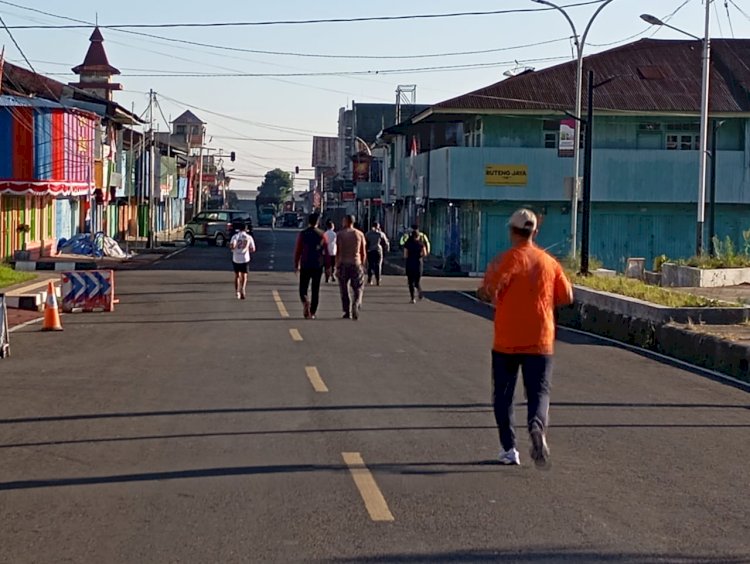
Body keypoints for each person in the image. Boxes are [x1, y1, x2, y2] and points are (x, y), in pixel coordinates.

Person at [479, 209, 573, 467]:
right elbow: (567, 296)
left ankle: (509, 449)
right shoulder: (549, 262)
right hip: (541, 339)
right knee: (539, 393)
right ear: (535, 232)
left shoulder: (504, 261)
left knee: (504, 396)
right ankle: (536, 426)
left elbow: (487, 290)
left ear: (512, 231)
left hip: (507, 340)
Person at [294, 213, 326, 319]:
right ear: (317, 222)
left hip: (305, 263)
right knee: (315, 289)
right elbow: (326, 251)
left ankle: (305, 300)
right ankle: (312, 312)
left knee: (303, 287)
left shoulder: (303, 234)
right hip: (318, 264)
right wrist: (329, 266)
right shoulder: (322, 234)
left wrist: (296, 264)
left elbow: (298, 250)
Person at [336, 214, 366, 320]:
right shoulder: (359, 234)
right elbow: (363, 252)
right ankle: (356, 304)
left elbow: (338, 252)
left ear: (345, 221)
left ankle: (346, 311)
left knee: (344, 289)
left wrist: (336, 266)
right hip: (356, 263)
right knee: (358, 287)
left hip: (343, 263)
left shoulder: (340, 235)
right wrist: (362, 264)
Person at [229, 220, 256, 300]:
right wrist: (247, 250)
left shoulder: (235, 236)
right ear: (246, 229)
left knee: (237, 275)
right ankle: (243, 289)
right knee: (244, 275)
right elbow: (253, 249)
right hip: (245, 258)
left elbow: (231, 246)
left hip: (236, 258)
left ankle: (237, 291)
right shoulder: (249, 237)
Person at [403, 228, 428, 303]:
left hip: (410, 263)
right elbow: (425, 253)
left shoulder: (407, 244)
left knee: (410, 282)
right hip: (418, 263)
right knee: (417, 281)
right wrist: (420, 255)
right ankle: (420, 291)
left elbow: (405, 255)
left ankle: (412, 298)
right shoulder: (421, 244)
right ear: (418, 236)